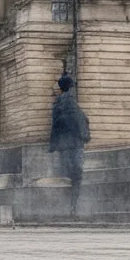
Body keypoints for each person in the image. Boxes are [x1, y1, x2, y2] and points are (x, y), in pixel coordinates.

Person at [49, 72, 91, 206]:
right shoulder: (72, 103)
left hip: (66, 145)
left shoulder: (58, 104)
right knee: (76, 173)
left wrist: (53, 144)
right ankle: (73, 204)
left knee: (67, 173)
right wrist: (85, 137)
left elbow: (55, 125)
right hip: (75, 143)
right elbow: (84, 120)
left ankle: (70, 204)